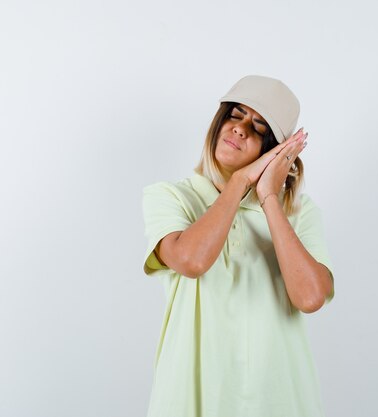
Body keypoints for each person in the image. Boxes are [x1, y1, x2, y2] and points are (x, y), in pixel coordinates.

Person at [141, 75, 335, 417]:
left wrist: (270, 198)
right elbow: (192, 260)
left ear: (276, 150)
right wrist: (242, 180)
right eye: (236, 115)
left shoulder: (300, 214)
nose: (242, 128)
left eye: (259, 127)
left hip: (280, 402)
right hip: (192, 401)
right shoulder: (171, 197)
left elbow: (310, 298)